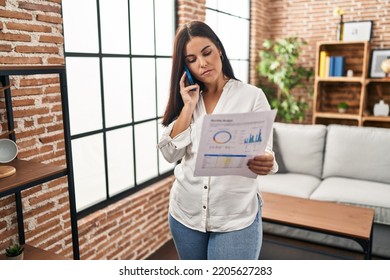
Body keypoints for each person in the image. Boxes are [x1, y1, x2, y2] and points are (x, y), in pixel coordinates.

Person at [157, 21, 278, 260]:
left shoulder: (252, 96)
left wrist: (267, 160)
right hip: (186, 214)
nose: (202, 63)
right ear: (185, 65)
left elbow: (265, 149)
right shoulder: (188, 100)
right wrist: (188, 107)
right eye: (192, 59)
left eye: (206, 52)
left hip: (235, 218)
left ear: (219, 49)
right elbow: (170, 154)